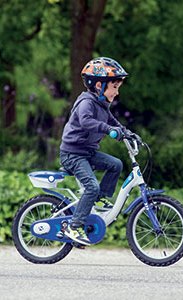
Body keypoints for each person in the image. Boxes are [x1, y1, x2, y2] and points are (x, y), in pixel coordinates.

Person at [60, 57, 138, 246]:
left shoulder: (102, 104)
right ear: (98, 85)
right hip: (73, 154)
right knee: (91, 187)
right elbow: (86, 122)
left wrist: (127, 133)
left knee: (116, 164)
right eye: (114, 87)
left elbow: (113, 122)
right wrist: (109, 131)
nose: (117, 92)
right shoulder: (86, 102)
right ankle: (74, 225)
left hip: (87, 153)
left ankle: (100, 199)